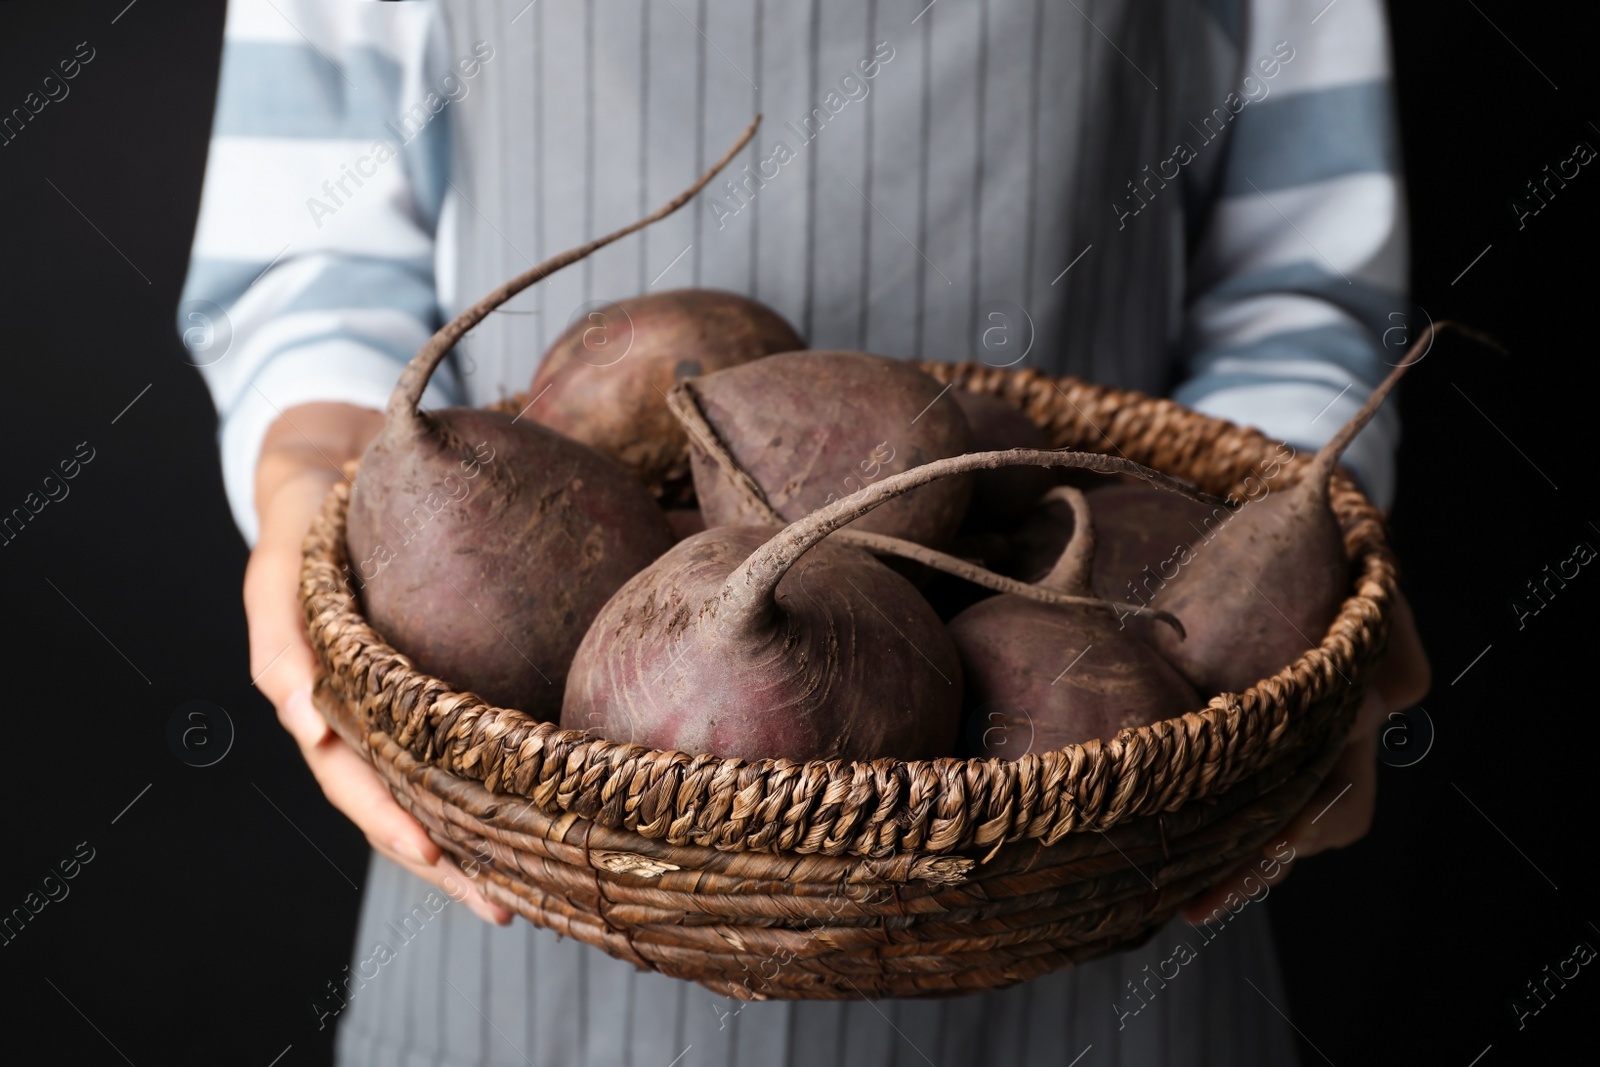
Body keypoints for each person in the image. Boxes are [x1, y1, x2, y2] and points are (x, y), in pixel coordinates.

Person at [183, 1, 1429, 1063]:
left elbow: (1299, 285)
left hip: (1124, 811)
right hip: (519, 847)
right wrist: (308, 486)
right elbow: (314, 262)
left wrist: (1300, 559)